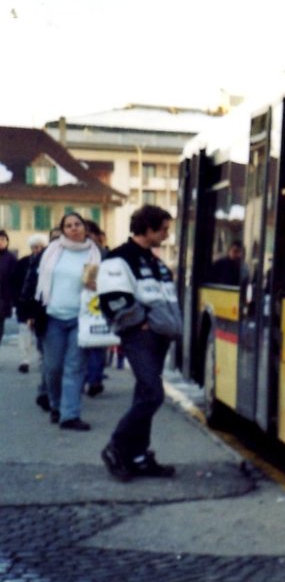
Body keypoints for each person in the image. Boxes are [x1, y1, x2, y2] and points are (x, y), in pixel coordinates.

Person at [97, 205, 182, 481]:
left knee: (145, 394)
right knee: (153, 393)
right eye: (164, 229)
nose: (167, 235)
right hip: (140, 335)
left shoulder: (153, 260)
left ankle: (138, 455)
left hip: (158, 335)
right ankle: (116, 447)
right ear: (147, 228)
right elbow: (113, 299)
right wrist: (138, 323)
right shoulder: (119, 258)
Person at [34, 213, 102, 430]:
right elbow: (35, 280)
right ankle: (55, 405)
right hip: (53, 316)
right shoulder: (53, 251)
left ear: (84, 228)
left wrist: (96, 284)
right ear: (63, 230)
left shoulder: (95, 253)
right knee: (53, 367)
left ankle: (70, 415)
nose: (74, 228)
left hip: (81, 318)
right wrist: (30, 313)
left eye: (77, 224)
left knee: (75, 368)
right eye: (68, 226)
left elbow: (102, 283)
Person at [13, 234, 47, 373]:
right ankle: (24, 360)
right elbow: (14, 282)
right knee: (24, 332)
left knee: (40, 333)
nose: (37, 249)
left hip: (40, 304)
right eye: (34, 247)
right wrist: (17, 300)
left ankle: (42, 359)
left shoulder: (48, 263)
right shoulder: (22, 263)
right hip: (24, 303)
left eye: (40, 247)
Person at [83, 220, 110, 397]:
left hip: (89, 302)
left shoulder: (94, 252)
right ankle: (95, 378)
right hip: (98, 303)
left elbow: (88, 281)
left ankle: (92, 379)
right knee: (98, 343)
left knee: (91, 344)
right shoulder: (103, 251)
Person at [0, 230, 17, 363]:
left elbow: (14, 280)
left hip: (3, 299)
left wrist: (11, 300)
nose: (1, 242)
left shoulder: (11, 258)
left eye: (3, 239)